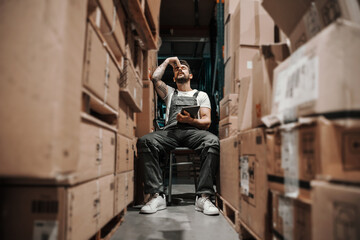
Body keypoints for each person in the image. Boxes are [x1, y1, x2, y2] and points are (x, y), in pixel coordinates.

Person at [137, 57, 220, 216]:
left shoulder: (201, 95)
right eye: (177, 69)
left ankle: (203, 197)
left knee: (212, 141)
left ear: (190, 76)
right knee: (145, 141)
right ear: (174, 78)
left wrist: (190, 120)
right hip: (170, 133)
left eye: (184, 68)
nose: (180, 69)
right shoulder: (169, 92)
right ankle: (157, 195)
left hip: (193, 132)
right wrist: (169, 61)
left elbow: (207, 121)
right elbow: (154, 78)